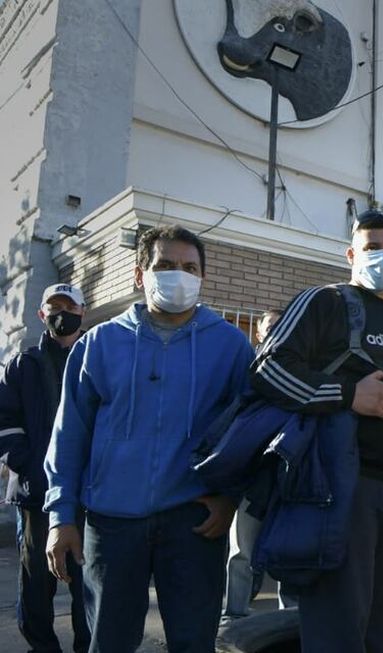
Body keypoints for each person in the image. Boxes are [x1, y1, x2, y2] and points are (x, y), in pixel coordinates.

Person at [44, 225, 254, 652]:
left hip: (195, 521)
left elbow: (248, 431)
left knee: (193, 642)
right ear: (141, 274)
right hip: (111, 522)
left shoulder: (232, 346)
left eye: (190, 267)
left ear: (203, 277)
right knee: (109, 642)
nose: (179, 275)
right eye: (166, 265)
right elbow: (70, 433)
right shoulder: (99, 344)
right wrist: (60, 515)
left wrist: (230, 497)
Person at [250, 209, 383, 652]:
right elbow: (268, 369)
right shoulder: (325, 302)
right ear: (352, 253)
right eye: (372, 247)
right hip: (340, 488)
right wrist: (348, 395)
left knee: (380, 628)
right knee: (338, 628)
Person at [0, 284, 91, 653]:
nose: (61, 312)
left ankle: (89, 645)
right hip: (36, 495)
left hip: (89, 495)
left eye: (70, 306)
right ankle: (42, 647)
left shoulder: (95, 357)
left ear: (82, 313)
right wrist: (32, 467)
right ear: (42, 314)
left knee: (88, 581)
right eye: (54, 306)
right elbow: (5, 423)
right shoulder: (22, 364)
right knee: (37, 580)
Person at [223, 308, 296, 621]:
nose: (275, 331)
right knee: (242, 551)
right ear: (258, 332)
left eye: (282, 326)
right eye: (270, 326)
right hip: (252, 475)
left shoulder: (299, 368)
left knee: (287, 551)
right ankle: (234, 613)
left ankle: (288, 617)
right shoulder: (247, 368)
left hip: (286, 473)